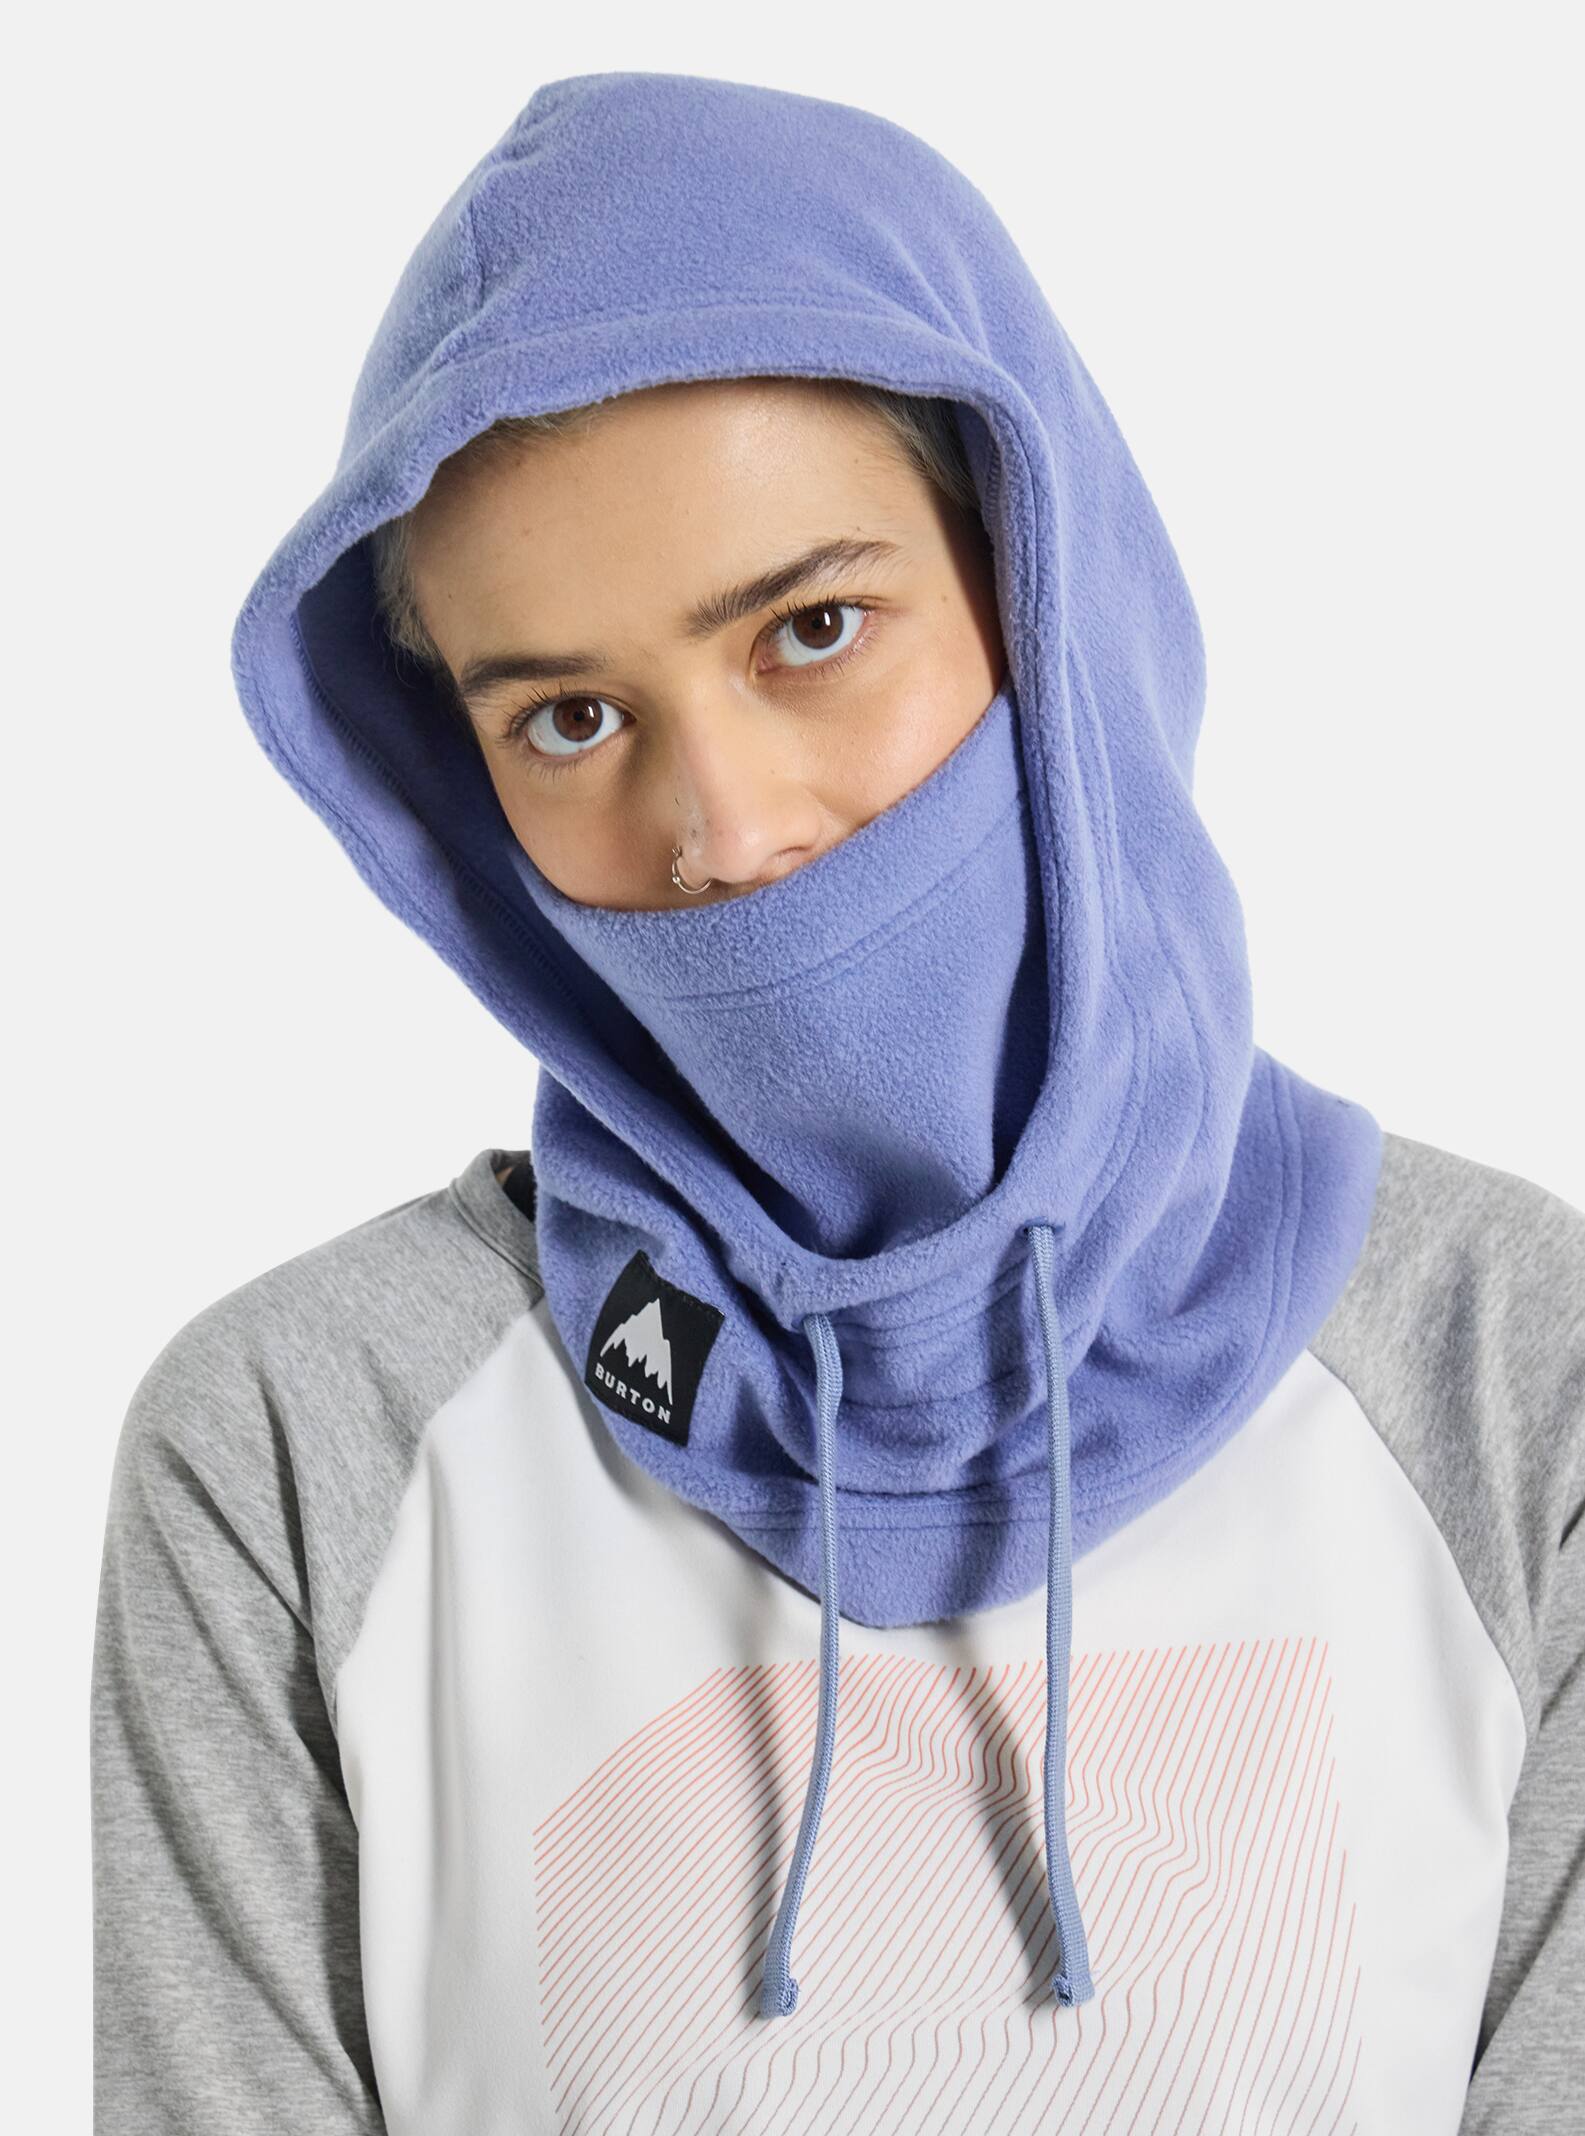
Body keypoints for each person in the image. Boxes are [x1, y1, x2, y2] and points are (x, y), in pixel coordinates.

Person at [90, 70, 1582, 2135]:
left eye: (810, 629)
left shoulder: (1510, 1373)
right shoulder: (300, 1447)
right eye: (569, 717)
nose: (723, 829)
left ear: (1044, 595)